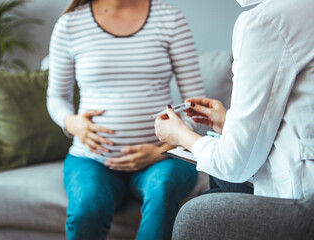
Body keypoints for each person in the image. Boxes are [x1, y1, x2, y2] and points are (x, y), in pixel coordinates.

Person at [47, 0, 206, 239]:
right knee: (86, 209)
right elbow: (56, 97)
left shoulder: (170, 19)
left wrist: (162, 150)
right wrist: (72, 123)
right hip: (92, 159)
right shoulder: (70, 24)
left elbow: (197, 105)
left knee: (162, 188)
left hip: (163, 158)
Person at [155, 0, 314, 199]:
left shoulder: (264, 23)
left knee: (201, 205)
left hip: (300, 196)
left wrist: (180, 135)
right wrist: (229, 123)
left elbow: (233, 164)